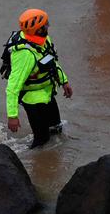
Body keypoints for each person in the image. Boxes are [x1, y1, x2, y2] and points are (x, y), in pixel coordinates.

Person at [5, 8, 72, 148]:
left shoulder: (44, 40)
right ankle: (35, 162)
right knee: (42, 140)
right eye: (46, 24)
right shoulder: (25, 55)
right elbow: (12, 87)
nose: (49, 25)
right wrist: (12, 116)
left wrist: (64, 81)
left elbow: (52, 62)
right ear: (38, 29)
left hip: (47, 94)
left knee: (56, 129)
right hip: (33, 101)